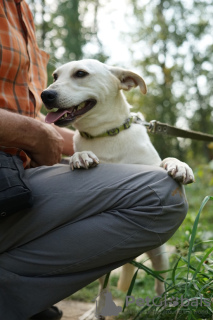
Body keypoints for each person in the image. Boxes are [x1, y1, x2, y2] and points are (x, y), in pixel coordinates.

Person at [0, 1, 189, 320]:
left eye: (81, 75)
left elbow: (37, 126)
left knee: (163, 189)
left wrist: (171, 161)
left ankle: (163, 297)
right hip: (10, 177)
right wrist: (42, 138)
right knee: (161, 194)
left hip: (20, 173)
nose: (51, 89)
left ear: (125, 83)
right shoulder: (78, 142)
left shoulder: (24, 13)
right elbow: (39, 130)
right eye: (57, 76)